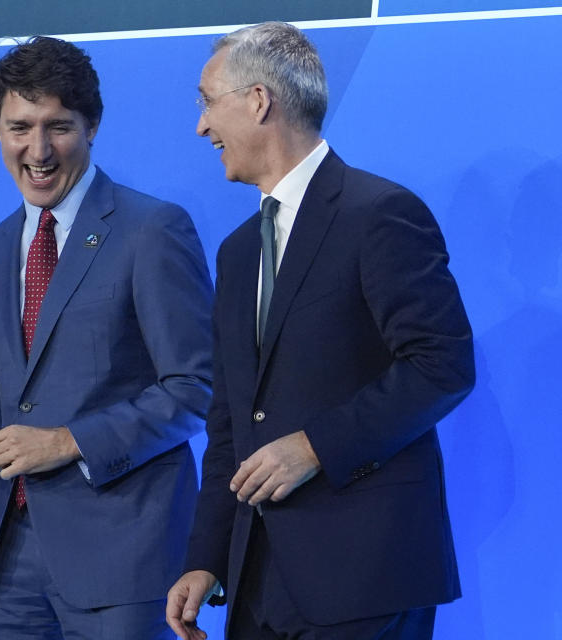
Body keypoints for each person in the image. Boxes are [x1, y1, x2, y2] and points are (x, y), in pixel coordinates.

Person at [0, 35, 213, 638]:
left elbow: (194, 387)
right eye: (19, 128)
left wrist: (70, 440)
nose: (37, 150)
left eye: (57, 127)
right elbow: (2, 411)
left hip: (125, 560)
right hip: (10, 564)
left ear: (92, 127)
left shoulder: (152, 230)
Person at [166, 22, 475, 640]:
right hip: (257, 583)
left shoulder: (380, 214)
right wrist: (207, 555)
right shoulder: (235, 253)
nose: (201, 126)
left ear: (258, 101)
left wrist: (315, 446)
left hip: (365, 576)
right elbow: (229, 421)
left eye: (207, 102)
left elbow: (442, 365)